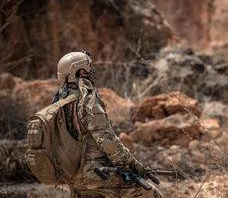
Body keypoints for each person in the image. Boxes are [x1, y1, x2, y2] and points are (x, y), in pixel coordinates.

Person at [53, 51, 162, 198]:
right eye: (89, 67)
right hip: (95, 174)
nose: (92, 71)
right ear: (79, 71)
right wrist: (135, 165)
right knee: (150, 193)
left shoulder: (59, 101)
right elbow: (107, 140)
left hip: (71, 175)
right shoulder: (88, 100)